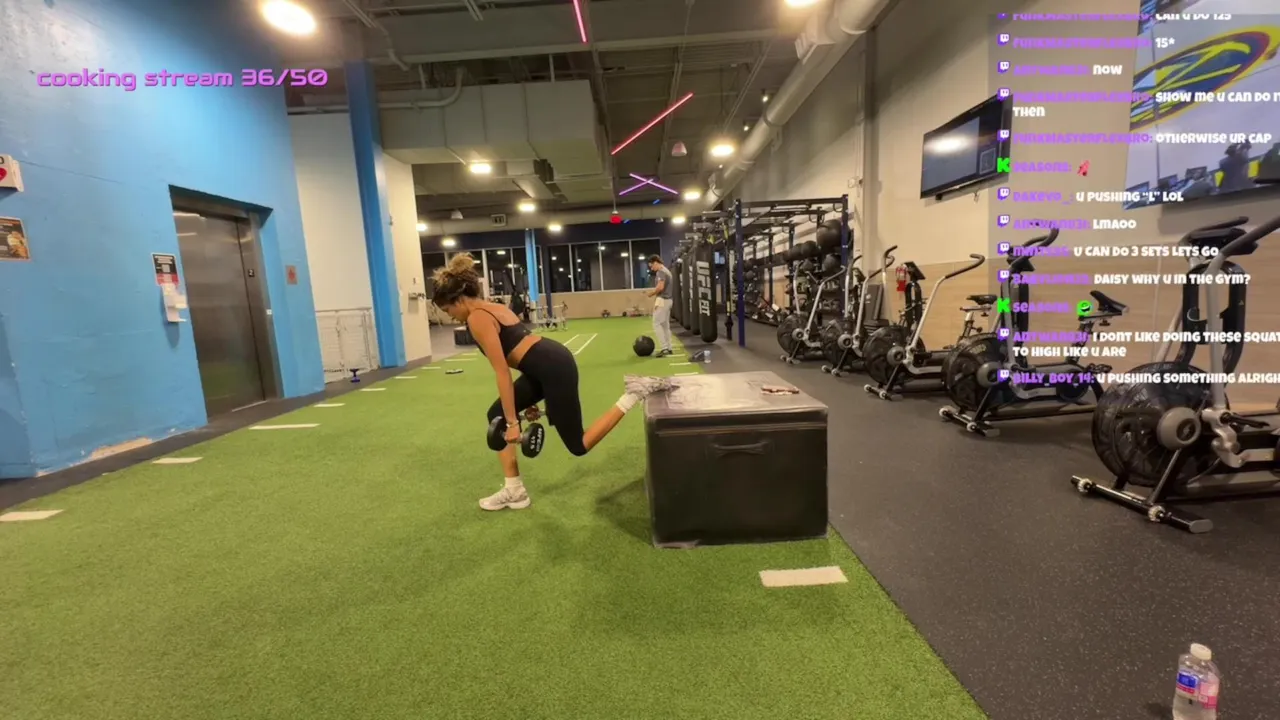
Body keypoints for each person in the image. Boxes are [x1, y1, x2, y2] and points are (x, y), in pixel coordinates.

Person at [432, 253, 675, 511]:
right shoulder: (493, 307)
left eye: (448, 310)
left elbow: (502, 371)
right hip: (545, 364)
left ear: (459, 299)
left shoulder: (477, 318)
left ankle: (634, 393)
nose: (451, 317)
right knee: (496, 414)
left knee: (578, 445)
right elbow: (524, 354)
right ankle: (514, 490)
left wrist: (513, 423)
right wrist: (528, 403)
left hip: (554, 368)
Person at [645, 254, 674, 357]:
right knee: (665, 325)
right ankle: (669, 347)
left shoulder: (661, 272)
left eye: (652, 266)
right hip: (668, 300)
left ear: (656, 262)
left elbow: (660, 287)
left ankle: (664, 348)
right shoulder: (667, 271)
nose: (652, 269)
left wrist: (651, 293)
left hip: (662, 300)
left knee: (656, 323)